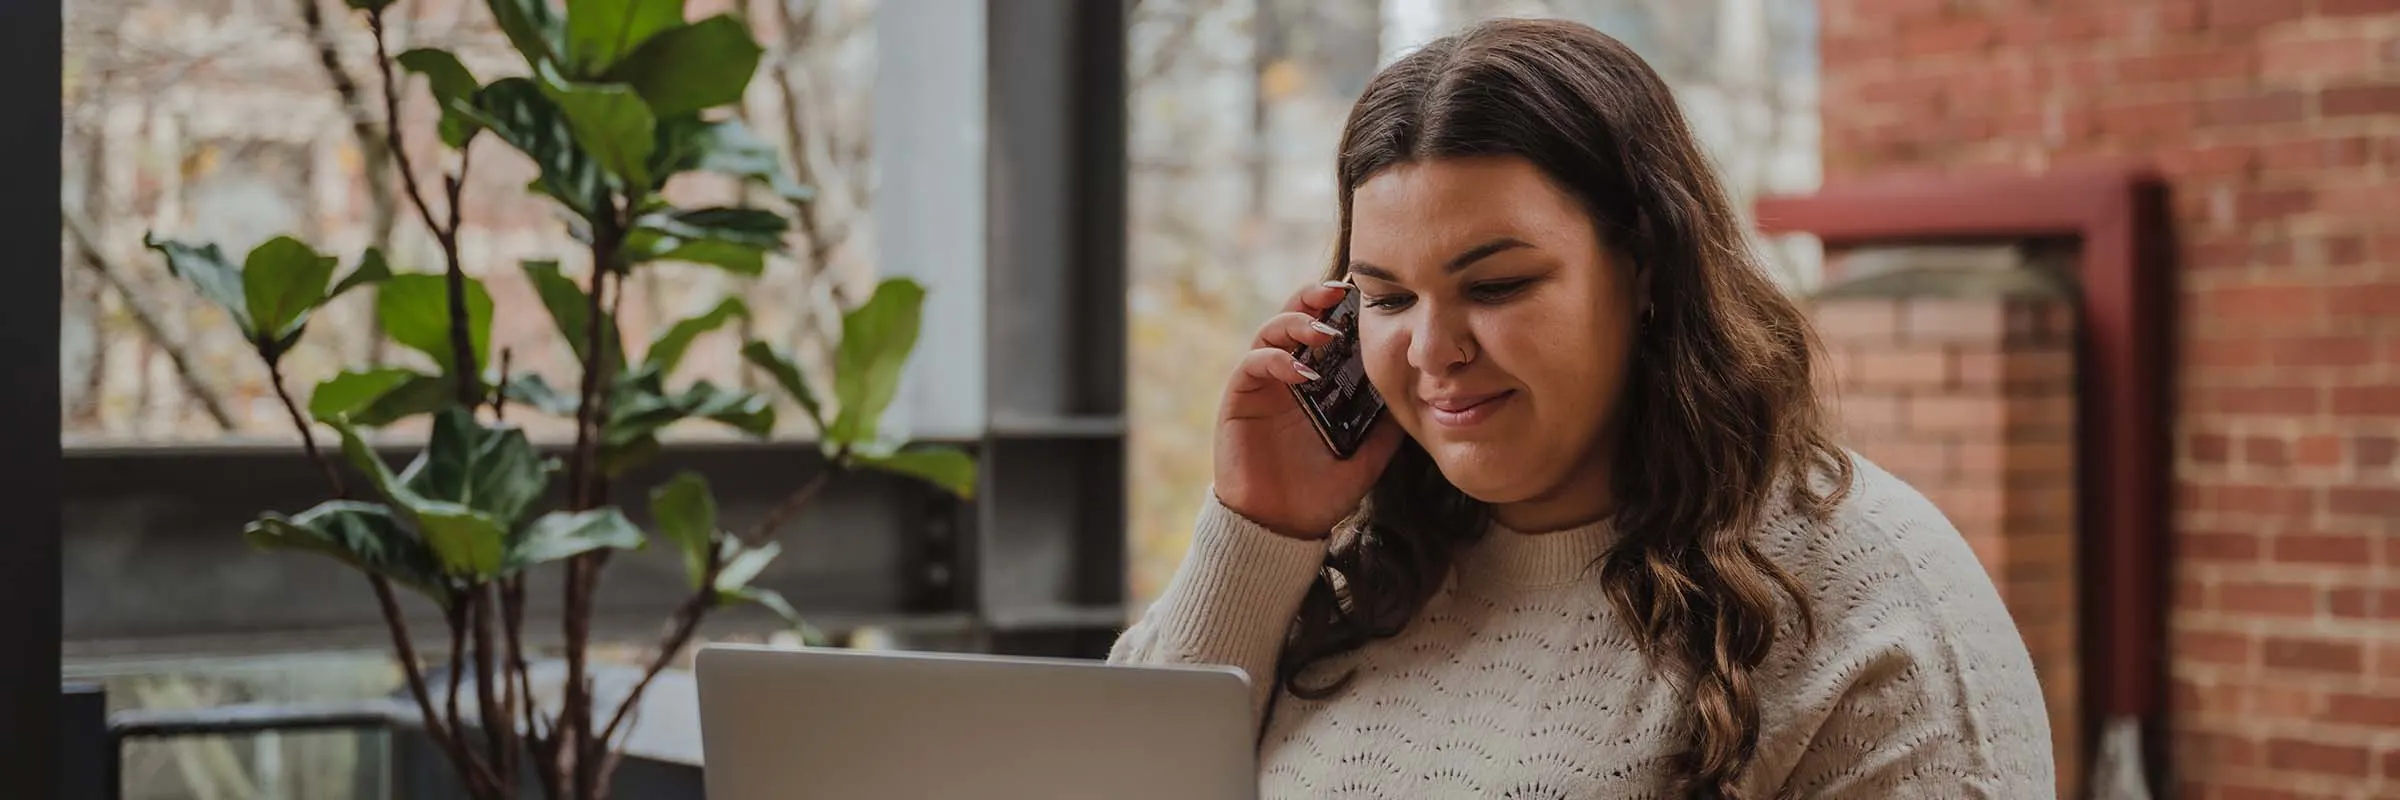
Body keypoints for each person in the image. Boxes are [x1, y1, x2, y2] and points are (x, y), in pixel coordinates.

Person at [1108, 17, 2055, 799]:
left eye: (1499, 285)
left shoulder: (1866, 599)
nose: (1433, 351)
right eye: (1388, 299)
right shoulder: (1361, 560)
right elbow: (1115, 780)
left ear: (1645, 268)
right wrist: (1259, 529)